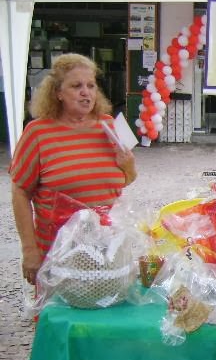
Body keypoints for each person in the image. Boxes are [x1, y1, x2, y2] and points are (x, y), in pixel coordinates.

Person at [10, 53, 137, 286]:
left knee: (104, 312)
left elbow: (127, 179)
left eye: (91, 85)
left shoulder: (109, 124)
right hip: (57, 252)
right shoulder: (38, 132)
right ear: (57, 92)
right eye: (76, 86)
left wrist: (127, 164)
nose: (86, 92)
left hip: (107, 248)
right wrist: (29, 250)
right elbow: (20, 191)